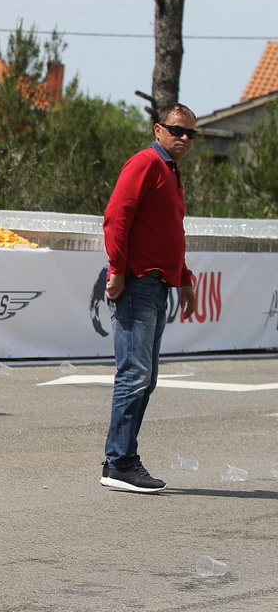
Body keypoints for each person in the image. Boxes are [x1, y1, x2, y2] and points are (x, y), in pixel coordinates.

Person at [100, 103, 198, 493]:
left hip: (157, 286)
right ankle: (119, 462)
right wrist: (117, 269)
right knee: (135, 375)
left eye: (191, 133)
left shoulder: (171, 174)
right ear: (159, 130)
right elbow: (116, 217)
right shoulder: (145, 163)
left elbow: (170, 232)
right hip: (138, 283)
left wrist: (185, 279)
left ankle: (121, 459)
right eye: (177, 130)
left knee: (146, 377)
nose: (185, 138)